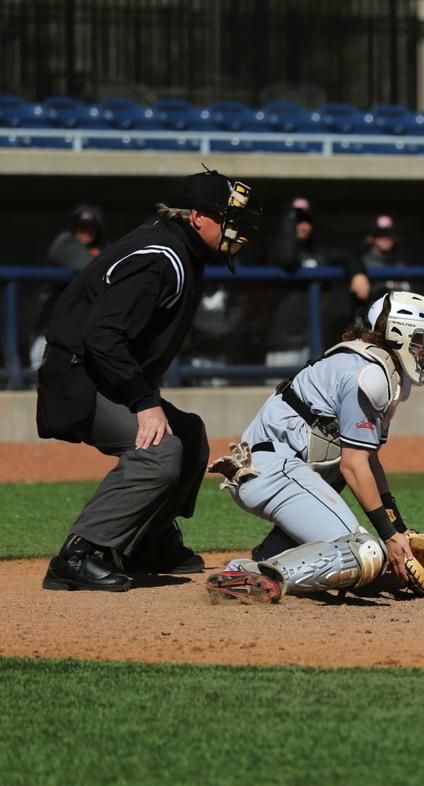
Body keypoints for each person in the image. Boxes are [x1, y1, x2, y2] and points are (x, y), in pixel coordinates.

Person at [37, 169, 260, 592]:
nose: (237, 228)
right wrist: (143, 400)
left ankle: (146, 542)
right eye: (227, 217)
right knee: (160, 452)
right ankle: (77, 554)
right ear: (197, 216)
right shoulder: (161, 256)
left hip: (93, 373)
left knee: (190, 434)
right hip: (76, 379)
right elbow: (101, 335)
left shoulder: (177, 247)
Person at [202, 291, 424, 603]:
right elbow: (353, 466)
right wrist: (387, 537)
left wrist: (398, 529)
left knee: (369, 557)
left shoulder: (376, 366)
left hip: (282, 471)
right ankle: (259, 576)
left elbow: (368, 461)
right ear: (399, 334)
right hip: (273, 470)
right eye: (422, 339)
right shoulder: (369, 374)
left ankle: (270, 558)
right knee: (365, 549)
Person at [265, 198, 366, 371]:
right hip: (284, 343)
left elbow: (347, 255)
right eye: (297, 221)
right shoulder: (276, 250)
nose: (303, 226)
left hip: (315, 341)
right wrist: (289, 221)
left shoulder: (319, 252)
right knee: (280, 395)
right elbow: (288, 259)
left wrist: (358, 273)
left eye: (307, 221)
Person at [28, 204, 108, 369]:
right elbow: (88, 264)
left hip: (88, 335)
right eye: (81, 227)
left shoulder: (105, 247)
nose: (86, 231)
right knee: (44, 383)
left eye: (91, 228)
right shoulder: (64, 243)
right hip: (51, 334)